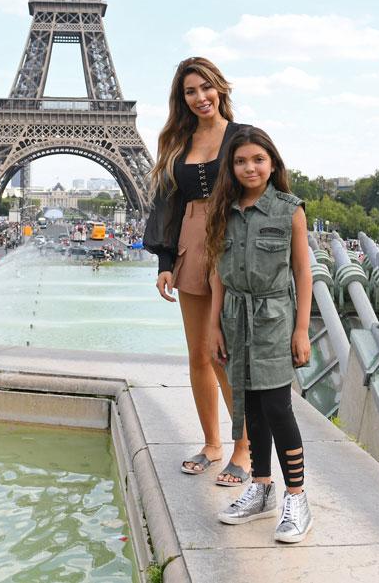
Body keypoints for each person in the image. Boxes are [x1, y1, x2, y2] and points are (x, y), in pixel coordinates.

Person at [143, 57, 251, 486]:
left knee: (228, 355)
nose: (200, 97)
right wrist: (165, 262)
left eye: (205, 87)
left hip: (232, 245)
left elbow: (265, 184)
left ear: (220, 88)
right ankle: (212, 444)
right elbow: (165, 205)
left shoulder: (242, 138)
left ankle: (245, 449)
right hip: (191, 246)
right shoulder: (177, 142)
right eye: (190, 91)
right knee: (199, 355)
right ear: (181, 98)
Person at [204, 126, 313, 543]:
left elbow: (303, 273)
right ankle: (262, 487)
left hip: (274, 317)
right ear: (231, 167)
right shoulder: (223, 210)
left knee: (277, 406)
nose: (250, 167)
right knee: (249, 404)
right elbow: (217, 274)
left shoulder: (290, 210)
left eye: (258, 159)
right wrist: (214, 324)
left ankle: (297, 497)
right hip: (235, 316)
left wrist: (301, 329)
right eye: (241, 160)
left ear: (272, 163)